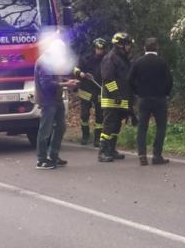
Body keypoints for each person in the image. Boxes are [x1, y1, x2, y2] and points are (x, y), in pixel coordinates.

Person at [34, 38, 79, 169]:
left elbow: (57, 77)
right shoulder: (44, 62)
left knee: (61, 127)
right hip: (48, 100)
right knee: (45, 130)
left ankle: (53, 155)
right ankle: (41, 159)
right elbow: (47, 84)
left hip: (56, 99)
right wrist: (66, 84)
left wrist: (68, 81)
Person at [128, 37, 173, 165]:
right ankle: (156, 155)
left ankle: (142, 155)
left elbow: (130, 80)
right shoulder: (162, 62)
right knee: (161, 127)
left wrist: (137, 92)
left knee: (142, 127)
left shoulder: (138, 62)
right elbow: (170, 80)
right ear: (157, 48)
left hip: (143, 99)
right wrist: (166, 93)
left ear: (144, 48)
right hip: (160, 99)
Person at [98, 32, 134, 162]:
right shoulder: (110, 58)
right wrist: (116, 95)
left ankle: (111, 149)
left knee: (116, 126)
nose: (129, 47)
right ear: (119, 45)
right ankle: (102, 152)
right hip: (111, 99)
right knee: (108, 126)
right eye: (127, 44)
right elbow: (108, 79)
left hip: (120, 99)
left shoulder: (122, 59)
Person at [73, 38, 106, 147]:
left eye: (101, 49)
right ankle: (85, 136)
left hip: (99, 91)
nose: (99, 51)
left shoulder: (106, 60)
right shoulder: (86, 58)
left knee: (100, 117)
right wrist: (80, 73)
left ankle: (97, 139)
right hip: (86, 90)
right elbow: (75, 69)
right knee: (84, 115)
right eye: (98, 48)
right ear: (94, 48)